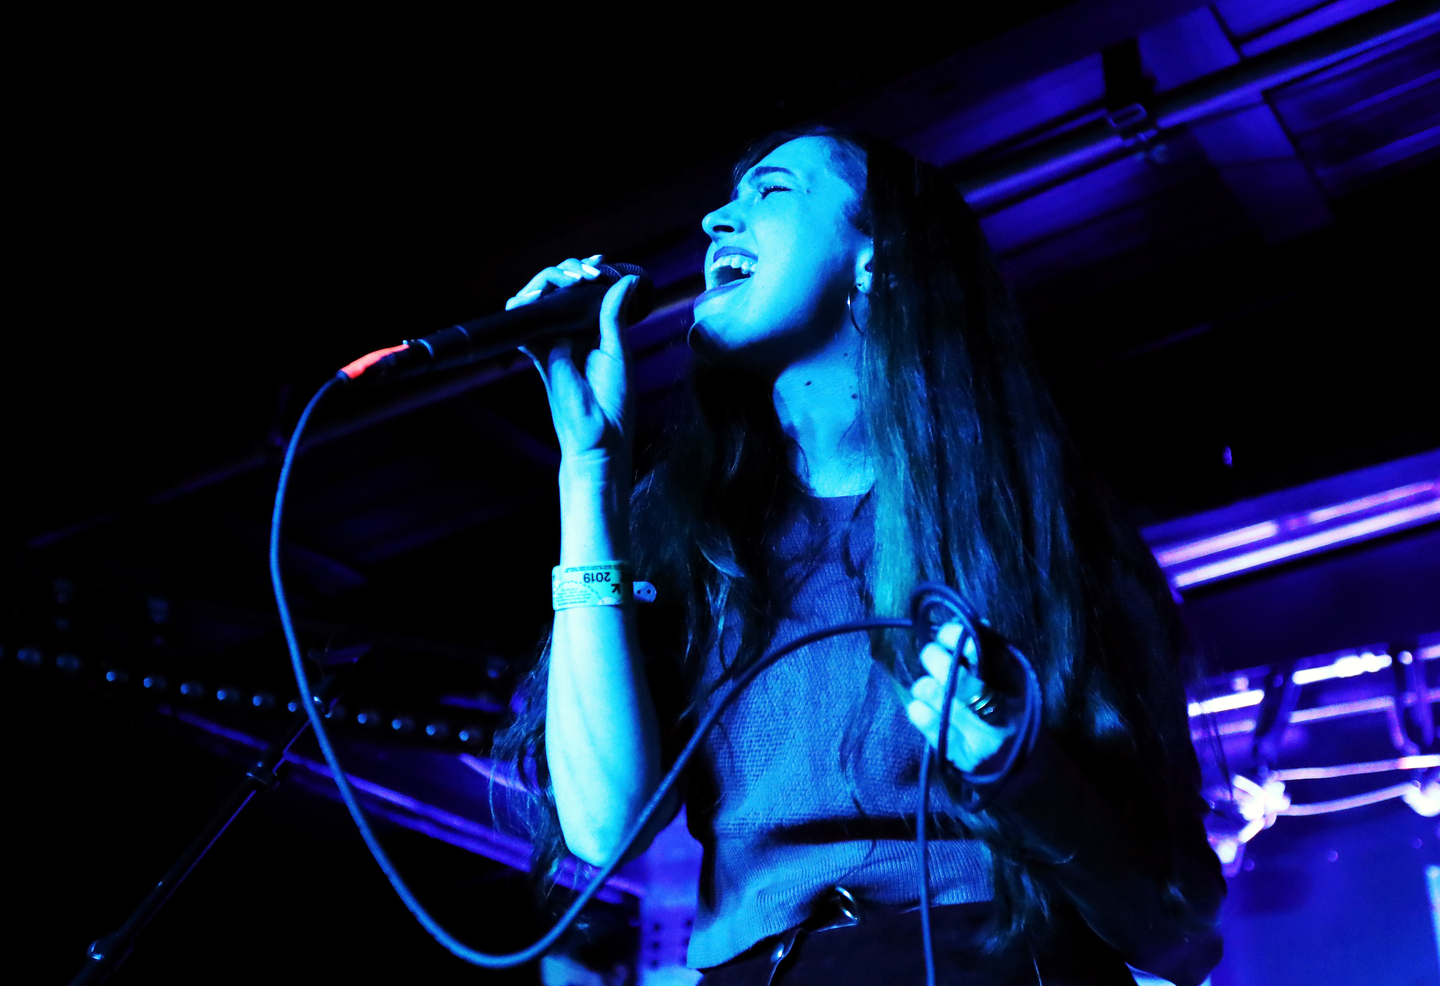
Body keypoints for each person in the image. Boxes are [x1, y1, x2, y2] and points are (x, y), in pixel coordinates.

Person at [496, 128, 1225, 986]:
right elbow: (602, 827)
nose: (712, 219)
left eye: (769, 193)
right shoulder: (693, 534)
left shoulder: (1040, 529)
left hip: (986, 962)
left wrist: (1017, 769)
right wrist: (587, 477)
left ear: (876, 259)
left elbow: (1176, 924)